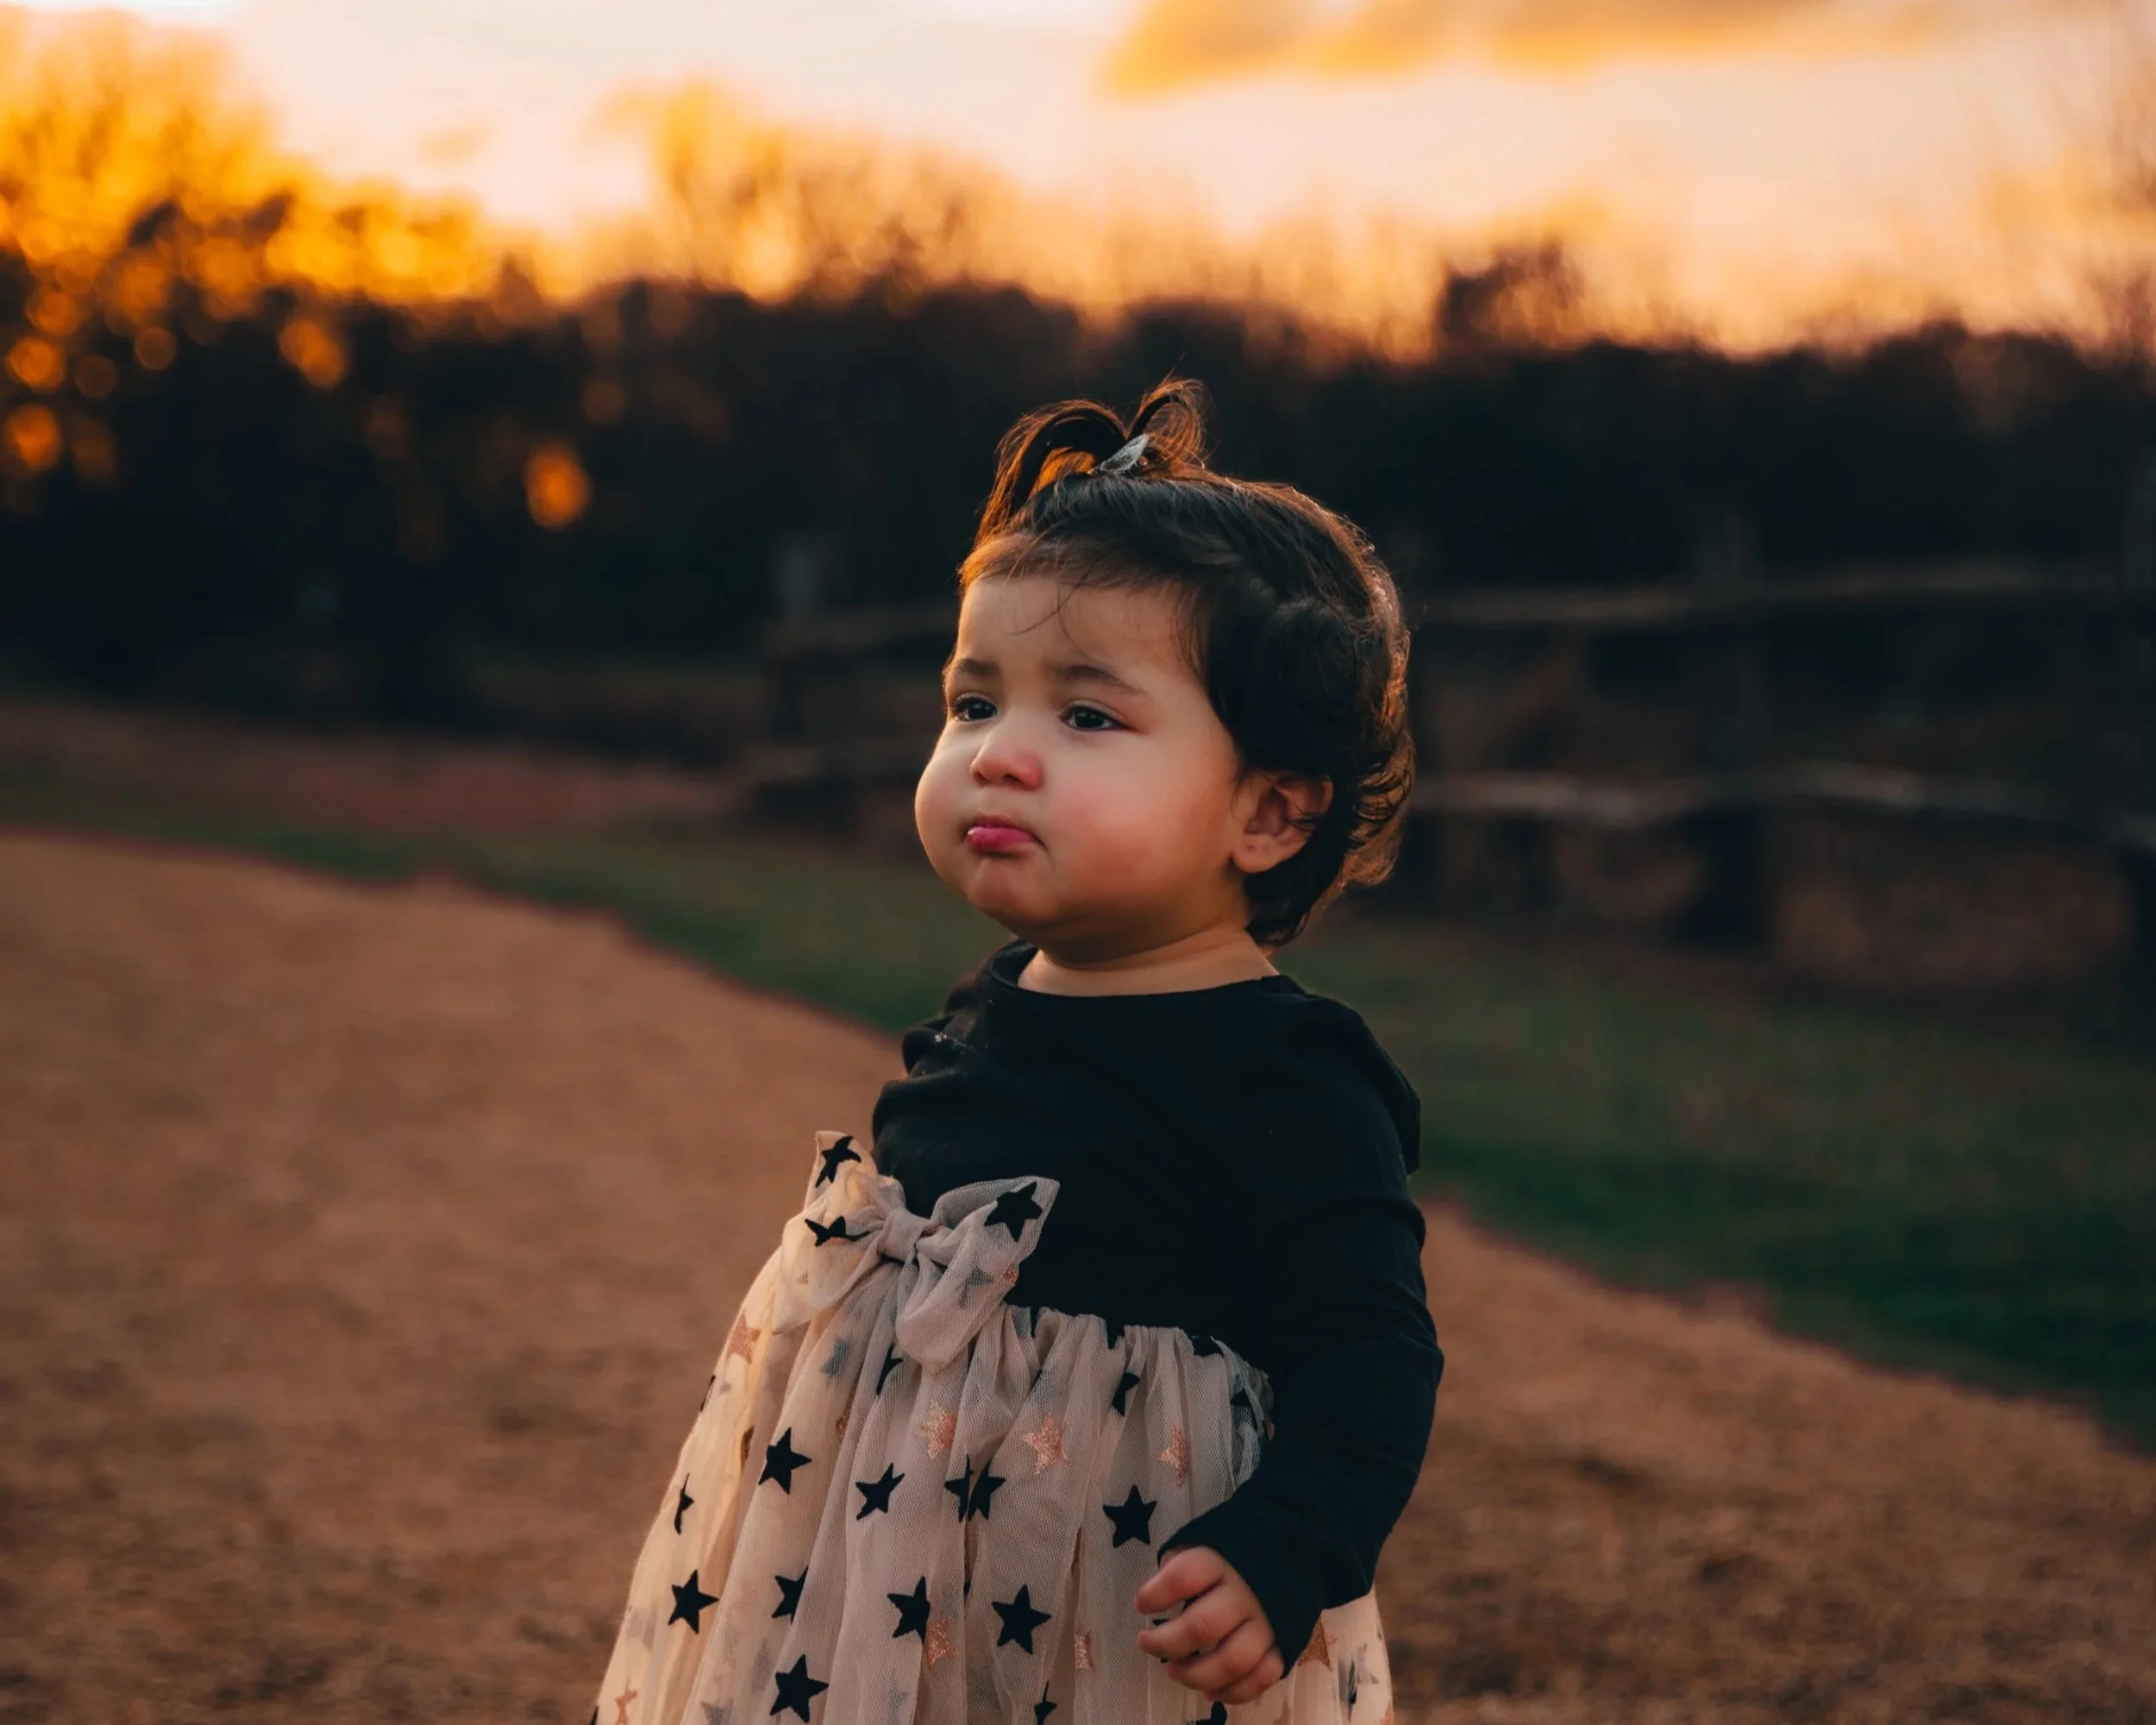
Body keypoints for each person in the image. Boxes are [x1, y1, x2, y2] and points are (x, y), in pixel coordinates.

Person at [589, 379, 1443, 1725]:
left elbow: (1373, 1357)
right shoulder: (988, 1009)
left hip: (1117, 1618)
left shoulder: (1285, 1075)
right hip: (893, 1587)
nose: (1000, 756)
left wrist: (1287, 1551)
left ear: (1271, 812)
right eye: (975, 703)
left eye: (1086, 717)